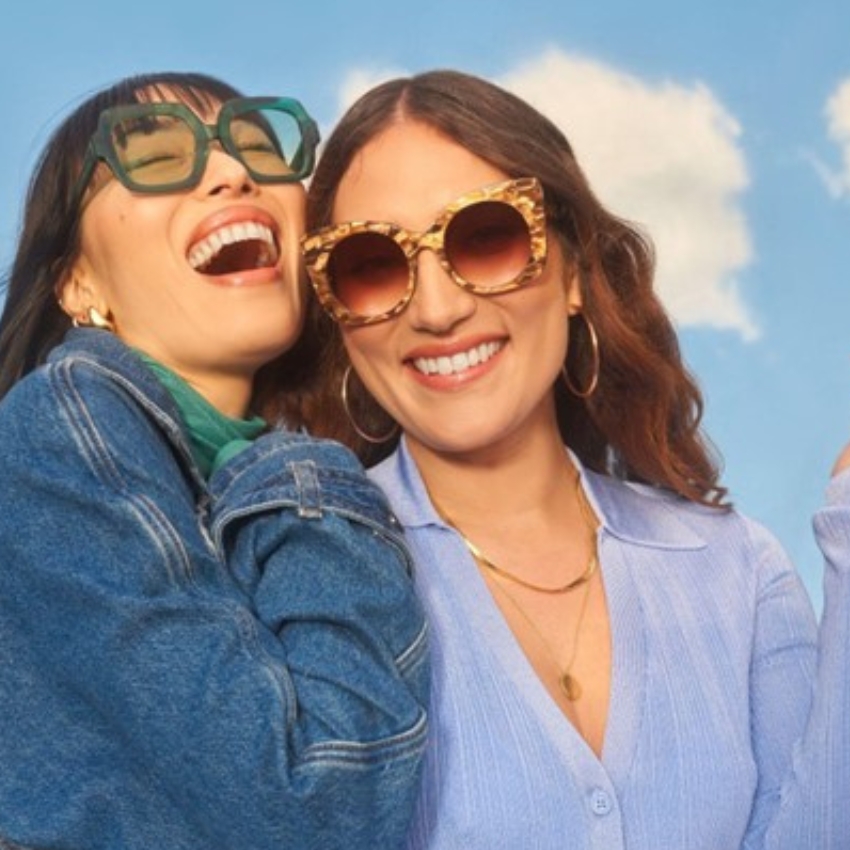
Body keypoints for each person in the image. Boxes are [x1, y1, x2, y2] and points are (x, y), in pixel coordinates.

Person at [294, 69, 850, 848]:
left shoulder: (736, 571)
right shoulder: (301, 579)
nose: (436, 308)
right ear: (338, 316)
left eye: (485, 236)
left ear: (576, 272)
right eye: (370, 265)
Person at [0, 72, 428, 850]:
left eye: (258, 146)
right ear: (78, 281)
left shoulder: (242, 469)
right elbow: (315, 808)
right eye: (156, 154)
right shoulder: (66, 424)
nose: (232, 171)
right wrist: (313, 484)